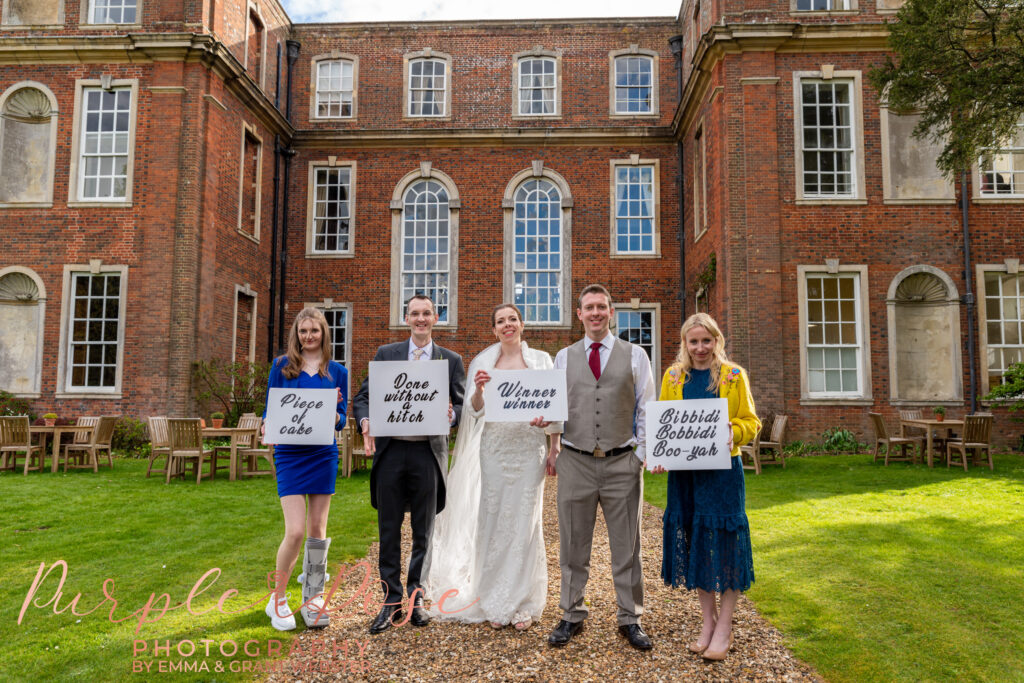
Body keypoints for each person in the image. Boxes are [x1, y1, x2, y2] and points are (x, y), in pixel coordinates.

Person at [422, 303, 560, 631]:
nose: (507, 325)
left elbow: (554, 406)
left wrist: (554, 446)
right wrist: (481, 390)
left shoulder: (541, 360)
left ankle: (523, 600)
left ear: (522, 325)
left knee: (525, 523)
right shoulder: (484, 362)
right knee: (495, 519)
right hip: (495, 450)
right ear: (494, 329)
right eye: (501, 321)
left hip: (529, 450)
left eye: (512, 319)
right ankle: (493, 596)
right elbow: (473, 410)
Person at [544, 284, 656, 651]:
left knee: (628, 546)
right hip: (575, 461)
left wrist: (639, 455)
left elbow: (645, 409)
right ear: (579, 314)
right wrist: (545, 425)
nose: (594, 313)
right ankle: (571, 614)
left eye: (601, 307)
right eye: (588, 307)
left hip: (622, 461)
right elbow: (556, 408)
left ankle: (631, 618)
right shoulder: (562, 357)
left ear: (611, 312)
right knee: (573, 544)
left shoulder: (636, 355)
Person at [352, 294, 465, 634]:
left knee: (423, 531)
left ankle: (417, 598)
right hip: (391, 452)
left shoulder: (451, 360)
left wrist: (452, 414)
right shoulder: (387, 354)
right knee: (388, 529)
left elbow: (461, 406)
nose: (420, 319)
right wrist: (365, 421)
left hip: (427, 455)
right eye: (414, 313)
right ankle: (389, 602)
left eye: (426, 314)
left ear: (435, 318)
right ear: (406, 318)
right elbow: (363, 398)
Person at [653, 312, 760, 661]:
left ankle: (725, 626)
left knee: (726, 547)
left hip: (722, 473)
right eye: (693, 341)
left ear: (717, 341)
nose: (700, 348)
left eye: (706, 340)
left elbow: (751, 422)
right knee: (697, 542)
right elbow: (665, 423)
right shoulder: (673, 376)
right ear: (685, 343)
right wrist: (659, 453)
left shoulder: (733, 376)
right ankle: (707, 623)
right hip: (686, 474)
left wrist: (735, 431)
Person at [262, 307, 348, 631]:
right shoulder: (281, 366)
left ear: (324, 333)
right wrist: (264, 425)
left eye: (314, 331)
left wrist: (335, 413)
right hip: (290, 455)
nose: (308, 336)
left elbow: (341, 417)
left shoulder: (338, 372)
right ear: (296, 334)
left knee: (316, 531)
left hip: (323, 454)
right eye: (303, 331)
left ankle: (313, 598)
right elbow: (270, 409)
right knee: (295, 530)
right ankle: (279, 598)